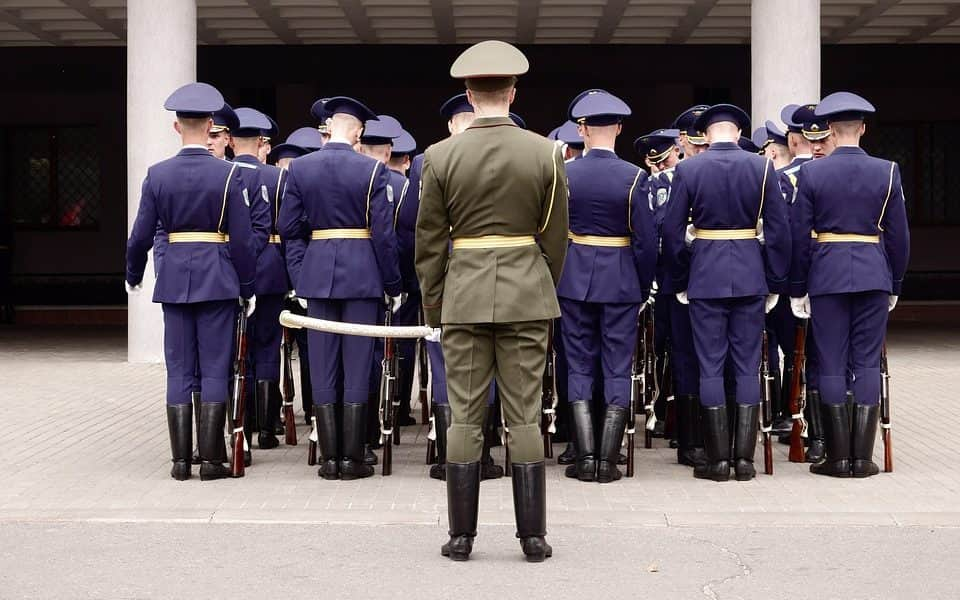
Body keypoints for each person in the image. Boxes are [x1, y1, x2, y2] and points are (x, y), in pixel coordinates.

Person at [416, 40, 568, 562]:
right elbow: (554, 237)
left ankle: (462, 538)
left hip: (464, 295)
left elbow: (430, 244)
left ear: (467, 93)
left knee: (464, 415)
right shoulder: (546, 152)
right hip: (528, 294)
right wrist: (539, 284)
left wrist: (434, 308)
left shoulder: (438, 156)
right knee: (524, 416)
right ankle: (533, 538)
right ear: (513, 91)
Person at [126, 82, 257, 481]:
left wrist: (133, 275)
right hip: (217, 279)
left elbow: (140, 236)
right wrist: (247, 288)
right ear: (212, 125)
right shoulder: (229, 174)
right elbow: (243, 241)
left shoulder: (158, 175)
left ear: (176, 127)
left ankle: (180, 461)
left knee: (180, 370)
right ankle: (212, 460)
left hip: (175, 278)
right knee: (215, 369)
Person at [663, 103, 791, 482]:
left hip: (705, 274)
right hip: (750, 274)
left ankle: (718, 461)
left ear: (707, 134)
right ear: (737, 132)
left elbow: (671, 234)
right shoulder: (762, 166)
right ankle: (745, 461)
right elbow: (780, 231)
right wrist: (773, 279)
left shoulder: (687, 169)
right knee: (747, 364)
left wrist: (683, 276)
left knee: (711, 364)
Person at [278, 97, 402, 481]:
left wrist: (300, 276)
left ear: (328, 127)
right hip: (363, 273)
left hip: (317, 273)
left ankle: (330, 459)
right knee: (357, 364)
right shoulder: (372, 170)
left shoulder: (299, 168)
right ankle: (352, 457)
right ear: (360, 131)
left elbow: (289, 228)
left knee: (323, 363)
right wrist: (392, 283)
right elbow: (383, 235)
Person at [789, 91, 910, 479]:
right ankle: (863, 458)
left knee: (831, 362)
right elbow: (899, 237)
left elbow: (797, 235)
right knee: (866, 362)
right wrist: (895, 282)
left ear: (830, 131)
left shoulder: (811, 172)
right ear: (863, 128)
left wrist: (798, 286)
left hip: (827, 273)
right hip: (874, 272)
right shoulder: (887, 170)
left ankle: (838, 458)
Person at [557, 90, 655, 484]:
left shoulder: (565, 174)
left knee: (579, 364)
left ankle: (584, 458)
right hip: (620, 281)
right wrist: (643, 282)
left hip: (574, 277)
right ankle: (608, 461)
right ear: (618, 128)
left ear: (582, 129)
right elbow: (646, 241)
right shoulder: (635, 176)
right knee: (617, 366)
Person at [636, 127, 706, 467]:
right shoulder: (660, 183)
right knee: (676, 354)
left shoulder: (684, 178)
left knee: (691, 355)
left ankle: (694, 433)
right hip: (672, 281)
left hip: (684, 278)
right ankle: (683, 429)